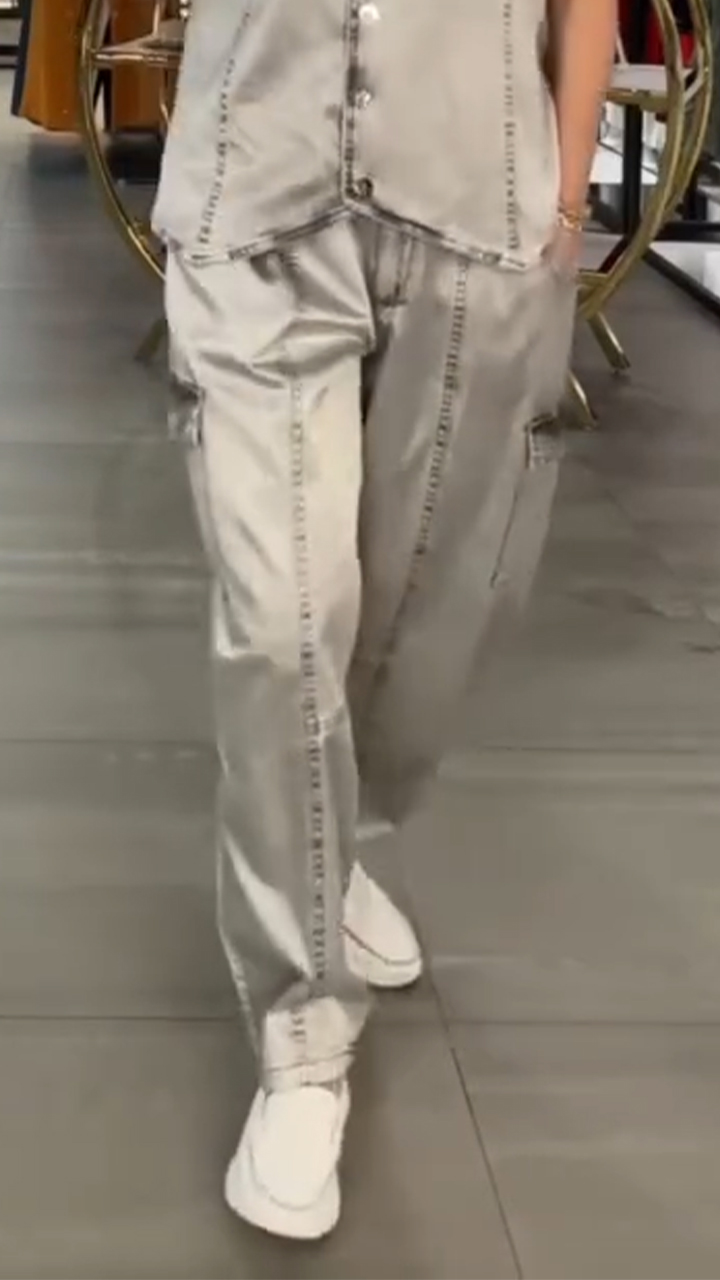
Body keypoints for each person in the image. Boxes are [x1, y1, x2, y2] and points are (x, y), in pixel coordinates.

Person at [153, 0, 617, 1241]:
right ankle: (302, 1037)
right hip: (255, 195)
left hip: (478, 196)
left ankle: (333, 838)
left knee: (433, 606)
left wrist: (568, 197)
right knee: (279, 622)